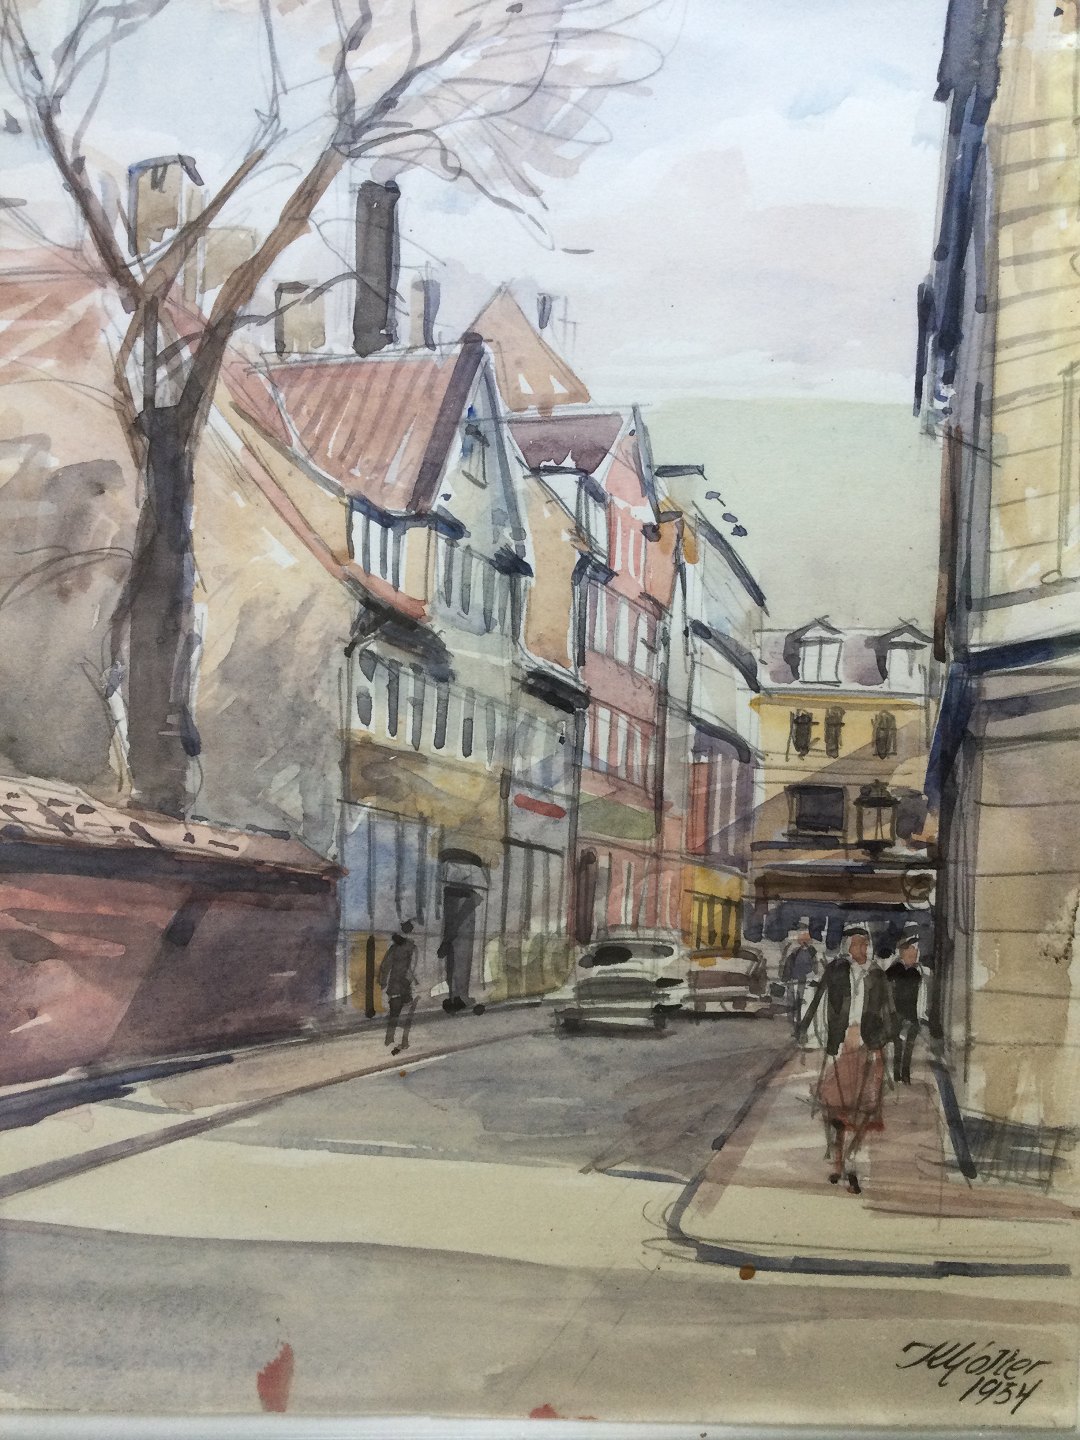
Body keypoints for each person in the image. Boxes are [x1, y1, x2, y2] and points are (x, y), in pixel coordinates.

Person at [797, 923, 895, 1195]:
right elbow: (817, 999)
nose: (862, 948)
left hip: (869, 1046)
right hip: (840, 1046)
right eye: (856, 944)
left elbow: (889, 1011)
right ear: (847, 947)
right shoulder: (837, 970)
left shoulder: (877, 975)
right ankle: (838, 1161)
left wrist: (882, 1040)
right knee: (835, 1107)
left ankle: (851, 1161)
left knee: (864, 1109)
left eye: (865, 943)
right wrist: (804, 1029)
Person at [886, 930, 930, 1085]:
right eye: (911, 950)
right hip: (897, 1015)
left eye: (915, 951)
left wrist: (920, 1015)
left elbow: (921, 995)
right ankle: (897, 1074)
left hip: (912, 1016)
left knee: (909, 1045)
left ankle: (904, 1074)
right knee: (898, 1045)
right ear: (902, 952)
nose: (914, 953)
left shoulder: (917, 972)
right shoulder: (896, 970)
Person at [379, 921, 418, 1056]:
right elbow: (414, 967)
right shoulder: (413, 948)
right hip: (406, 986)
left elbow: (385, 966)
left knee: (394, 1013)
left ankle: (389, 1039)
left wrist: (383, 982)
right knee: (407, 1014)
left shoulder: (394, 948)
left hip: (396, 985)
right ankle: (403, 1040)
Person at [779, 919, 818, 1031]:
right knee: (792, 1000)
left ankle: (798, 1022)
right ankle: (793, 1022)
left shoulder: (811, 952)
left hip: (802, 979)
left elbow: (814, 968)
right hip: (793, 979)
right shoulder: (796, 951)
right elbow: (788, 964)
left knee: (800, 1000)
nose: (803, 940)